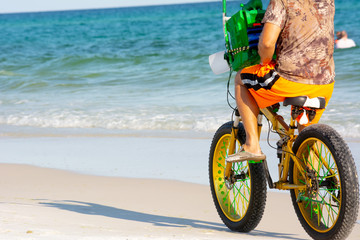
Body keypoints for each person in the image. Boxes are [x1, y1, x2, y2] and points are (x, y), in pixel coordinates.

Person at [226, 0, 335, 162]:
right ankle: (308, 175)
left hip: (288, 81)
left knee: (240, 79)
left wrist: (264, 62)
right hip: (325, 83)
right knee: (304, 136)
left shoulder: (281, 1)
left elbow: (266, 43)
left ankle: (252, 145)